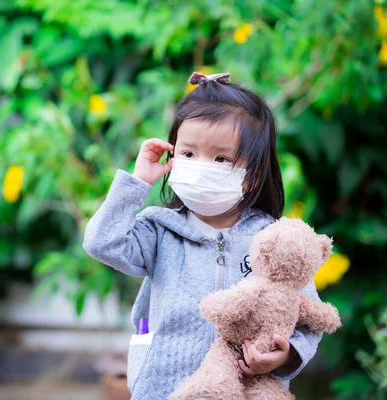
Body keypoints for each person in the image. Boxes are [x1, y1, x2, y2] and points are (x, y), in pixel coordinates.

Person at [83, 71, 323, 399]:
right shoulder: (158, 231)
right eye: (189, 154)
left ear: (252, 175)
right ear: (172, 155)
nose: (200, 165)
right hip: (163, 391)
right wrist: (136, 182)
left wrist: (285, 355)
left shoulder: (274, 241)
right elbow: (101, 242)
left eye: (221, 158)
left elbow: (307, 316)